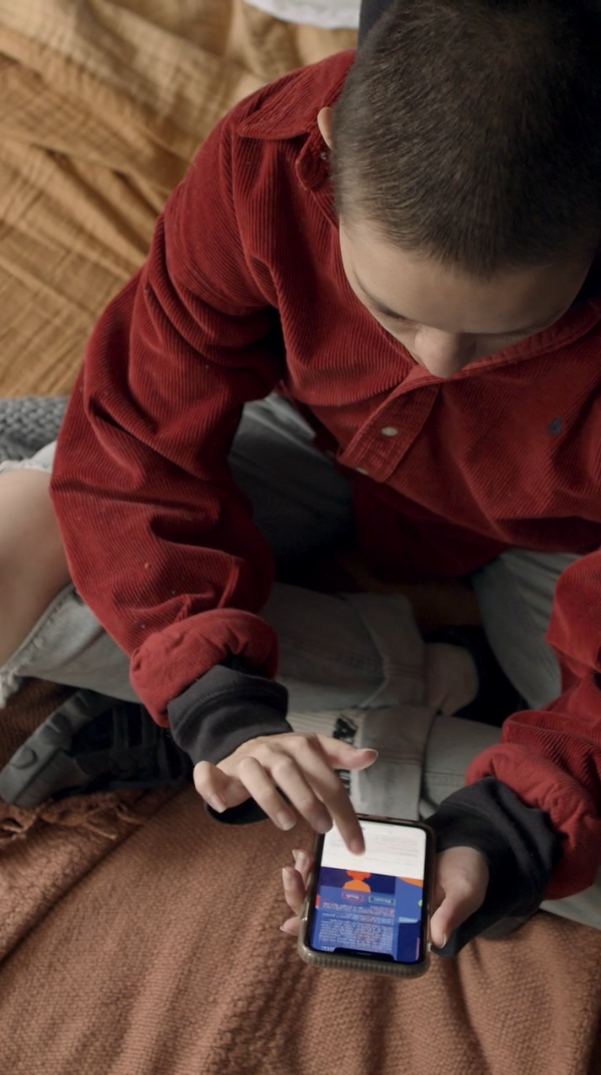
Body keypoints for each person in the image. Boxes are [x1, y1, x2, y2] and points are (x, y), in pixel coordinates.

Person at [1, 0, 601, 957]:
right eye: (392, 312)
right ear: (327, 152)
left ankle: (403, 757)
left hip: (566, 547)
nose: (439, 366)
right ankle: (382, 694)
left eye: (506, 332)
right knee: (11, 524)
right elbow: (134, 439)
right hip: (322, 444)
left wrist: (511, 832)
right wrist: (218, 696)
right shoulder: (268, 155)